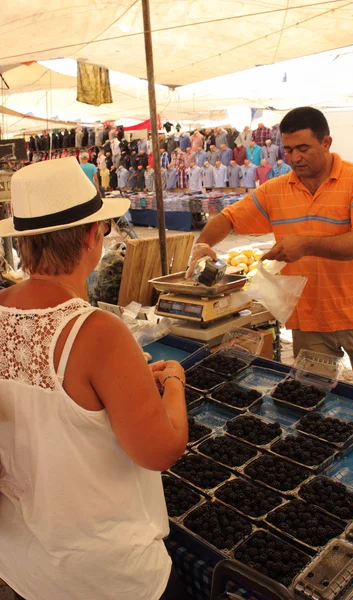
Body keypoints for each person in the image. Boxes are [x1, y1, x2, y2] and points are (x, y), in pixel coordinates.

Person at [0, 157, 188, 600]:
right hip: (109, 577)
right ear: (91, 235)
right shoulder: (97, 331)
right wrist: (175, 382)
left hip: (24, 567)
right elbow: (160, 449)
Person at [187, 106, 353, 397]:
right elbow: (228, 218)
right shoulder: (275, 189)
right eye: (288, 150)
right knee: (311, 399)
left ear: (326, 143)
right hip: (308, 317)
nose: (295, 158)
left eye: (303, 148)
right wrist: (202, 245)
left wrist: (306, 244)